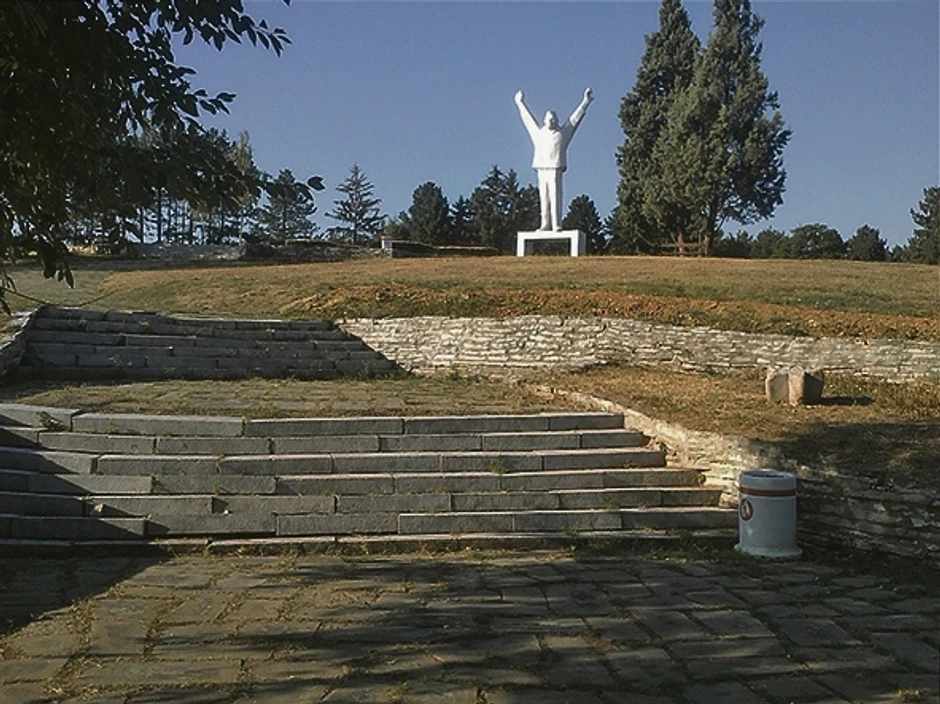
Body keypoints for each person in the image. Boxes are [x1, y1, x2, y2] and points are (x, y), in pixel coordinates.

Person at [514, 88, 594, 231]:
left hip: (555, 167)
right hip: (541, 167)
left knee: (555, 196)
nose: (551, 121)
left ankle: (557, 223)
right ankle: (545, 223)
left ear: (557, 121)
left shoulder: (562, 134)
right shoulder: (538, 134)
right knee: (543, 197)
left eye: (553, 119)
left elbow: (574, 120)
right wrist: (520, 103)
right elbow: (528, 120)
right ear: (544, 121)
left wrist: (585, 102)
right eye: (549, 119)